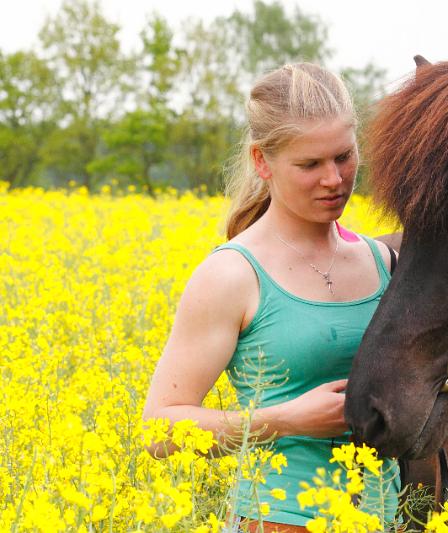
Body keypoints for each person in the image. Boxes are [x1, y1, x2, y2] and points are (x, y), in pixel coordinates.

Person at [141, 63, 401, 533]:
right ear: (262, 161)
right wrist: (287, 419)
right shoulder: (231, 275)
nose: (334, 179)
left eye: (344, 156)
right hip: (277, 521)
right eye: (310, 165)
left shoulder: (385, 262)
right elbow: (159, 432)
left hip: (382, 519)